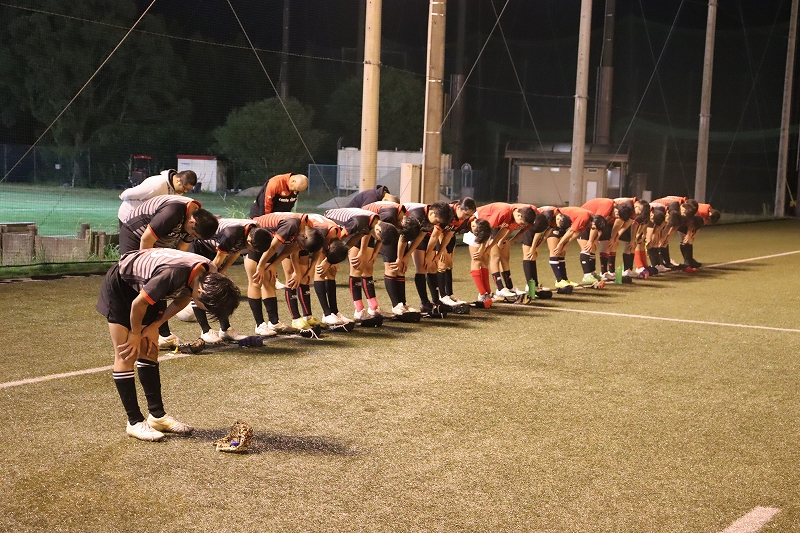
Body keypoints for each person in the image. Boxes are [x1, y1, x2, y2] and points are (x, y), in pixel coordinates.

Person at [96, 248, 240, 441]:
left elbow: (183, 298)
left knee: (150, 350)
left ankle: (157, 416)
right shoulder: (171, 275)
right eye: (208, 308)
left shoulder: (210, 273)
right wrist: (135, 334)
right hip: (122, 285)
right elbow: (138, 304)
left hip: (150, 284)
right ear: (200, 292)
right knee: (127, 353)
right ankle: (134, 422)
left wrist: (155, 325)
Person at [119, 195, 219, 348]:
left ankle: (161, 333)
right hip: (136, 235)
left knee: (166, 283)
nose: (192, 237)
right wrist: (150, 267)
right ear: (192, 223)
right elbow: (146, 239)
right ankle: (133, 331)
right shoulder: (173, 212)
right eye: (194, 234)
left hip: (156, 241)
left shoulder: (195, 220)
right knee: (150, 284)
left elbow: (182, 250)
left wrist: (179, 267)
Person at [183, 219, 273, 343]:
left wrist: (222, 271)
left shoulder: (254, 231)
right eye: (253, 249)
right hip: (199, 246)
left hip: (213, 248)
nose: (253, 252)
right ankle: (206, 330)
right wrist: (212, 277)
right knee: (201, 286)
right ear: (249, 241)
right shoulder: (232, 233)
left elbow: (235, 251)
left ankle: (225, 329)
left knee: (220, 288)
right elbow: (218, 259)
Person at [247, 212, 323, 334]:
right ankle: (259, 325)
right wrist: (260, 266)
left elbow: (291, 248)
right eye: (301, 246)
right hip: (256, 236)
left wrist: (274, 264)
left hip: (269, 241)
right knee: (256, 280)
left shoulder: (307, 228)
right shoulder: (291, 225)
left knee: (270, 280)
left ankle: (274, 323)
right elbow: (273, 247)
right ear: (304, 236)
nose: (300, 248)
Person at [323, 207, 399, 320]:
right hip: (329, 224)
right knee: (334, 270)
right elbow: (341, 238)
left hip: (345, 228)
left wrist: (365, 252)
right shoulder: (358, 222)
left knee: (362, 267)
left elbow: (359, 236)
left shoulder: (374, 222)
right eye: (379, 238)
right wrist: (331, 260)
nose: (377, 239)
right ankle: (339, 312)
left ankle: (362, 309)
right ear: (378, 230)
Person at [117, 169, 197, 225]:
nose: (185, 191)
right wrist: (123, 195)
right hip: (129, 216)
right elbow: (129, 194)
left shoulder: (177, 189)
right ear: (178, 180)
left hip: (145, 218)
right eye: (185, 188)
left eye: (188, 190)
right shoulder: (156, 186)